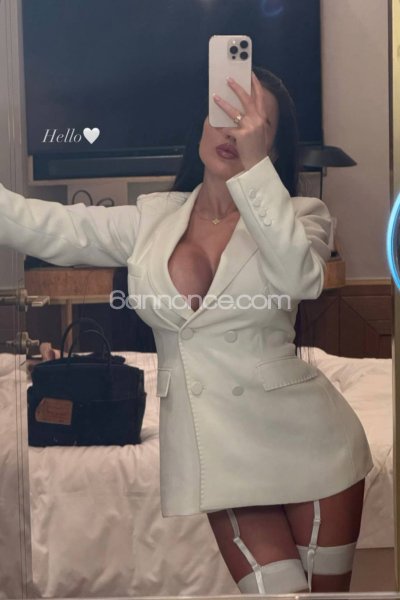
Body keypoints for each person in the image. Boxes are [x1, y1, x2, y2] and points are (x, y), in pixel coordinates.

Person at [0, 66, 373, 594]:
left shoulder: (302, 215)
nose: (231, 131)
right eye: (223, 114)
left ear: (271, 145)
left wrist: (253, 173)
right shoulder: (153, 219)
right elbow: (44, 225)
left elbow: (300, 279)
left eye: (252, 122)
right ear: (200, 124)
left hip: (314, 447)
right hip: (221, 453)